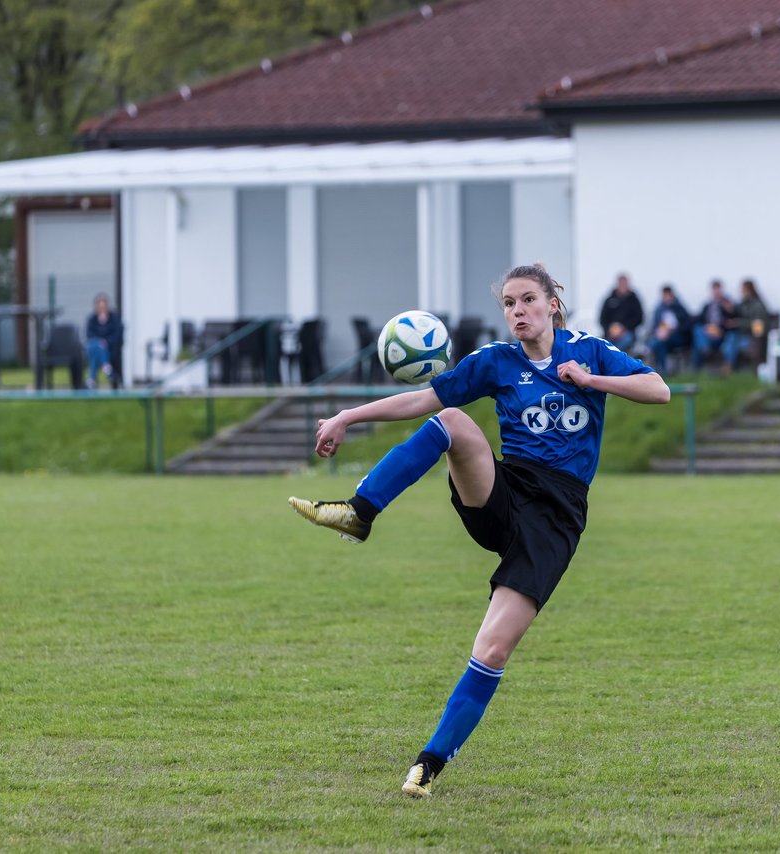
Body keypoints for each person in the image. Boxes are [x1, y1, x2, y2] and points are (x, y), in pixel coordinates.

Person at [287, 263, 669, 798]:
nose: (518, 311)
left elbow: (658, 389)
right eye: (509, 303)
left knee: (491, 649)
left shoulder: (589, 351)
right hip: (504, 493)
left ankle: (428, 765)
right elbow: (423, 399)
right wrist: (349, 415)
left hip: (555, 519)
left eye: (528, 300)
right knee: (453, 423)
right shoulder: (495, 361)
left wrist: (589, 381)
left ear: (552, 304)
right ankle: (359, 511)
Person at [725, 277, 773, 372]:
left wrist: (738, 323)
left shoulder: (758, 306)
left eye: (743, 290)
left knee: (732, 341)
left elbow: (758, 325)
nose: (741, 292)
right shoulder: (744, 304)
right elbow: (737, 311)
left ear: (749, 291)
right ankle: (728, 366)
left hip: (753, 338)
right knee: (730, 338)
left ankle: (729, 366)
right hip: (742, 335)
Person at [692, 279, 738, 371]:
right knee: (697, 330)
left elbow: (733, 321)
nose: (716, 293)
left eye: (718, 290)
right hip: (708, 336)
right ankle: (705, 350)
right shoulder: (707, 305)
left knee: (732, 338)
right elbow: (699, 320)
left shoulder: (727, 304)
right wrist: (707, 328)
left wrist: (721, 330)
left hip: (722, 335)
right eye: (714, 290)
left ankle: (727, 367)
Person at [648, 284, 692, 374]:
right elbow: (655, 326)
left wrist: (672, 330)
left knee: (658, 343)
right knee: (661, 344)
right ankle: (663, 371)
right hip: (663, 338)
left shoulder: (679, 308)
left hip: (678, 336)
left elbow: (687, 325)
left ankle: (650, 353)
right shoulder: (659, 309)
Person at [85, 293, 124, 389]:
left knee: (95, 352)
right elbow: (89, 334)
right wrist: (100, 342)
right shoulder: (92, 319)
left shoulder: (114, 319)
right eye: (100, 306)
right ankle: (106, 366)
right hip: (96, 346)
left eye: (104, 306)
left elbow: (117, 335)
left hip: (111, 348)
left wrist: (106, 342)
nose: (102, 308)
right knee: (96, 345)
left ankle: (91, 379)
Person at [598, 272, 644, 353]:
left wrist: (624, 329)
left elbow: (639, 318)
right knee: (600, 344)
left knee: (623, 342)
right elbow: (602, 318)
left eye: (625, 284)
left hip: (627, 332)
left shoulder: (634, 300)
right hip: (609, 333)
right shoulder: (609, 299)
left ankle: (615, 359)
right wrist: (609, 330)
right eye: (621, 284)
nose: (623, 286)